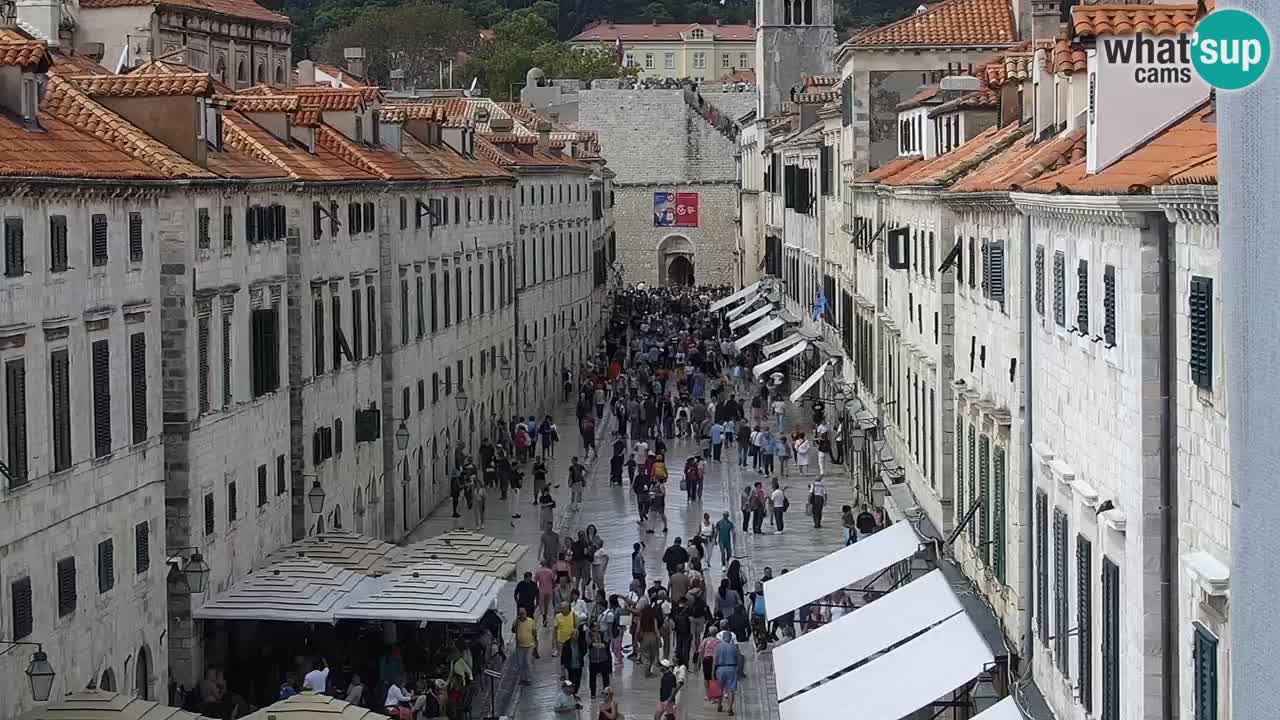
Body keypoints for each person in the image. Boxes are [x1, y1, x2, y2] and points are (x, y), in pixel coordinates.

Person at [713, 631, 739, 715]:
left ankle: (720, 705)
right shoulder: (734, 647)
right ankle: (730, 708)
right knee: (731, 690)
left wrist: (712, 672)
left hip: (720, 668)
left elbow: (714, 661)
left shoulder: (718, 647)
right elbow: (738, 658)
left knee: (720, 689)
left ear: (723, 638)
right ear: (730, 638)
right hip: (732, 668)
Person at [587, 623, 612, 698]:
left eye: (598, 626)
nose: (597, 627)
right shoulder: (589, 635)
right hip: (593, 660)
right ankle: (593, 693)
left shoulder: (602, 634)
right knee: (592, 678)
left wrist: (599, 645)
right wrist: (599, 645)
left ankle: (606, 692)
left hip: (603, 659)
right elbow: (590, 644)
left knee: (605, 677)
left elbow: (606, 643)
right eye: (595, 626)